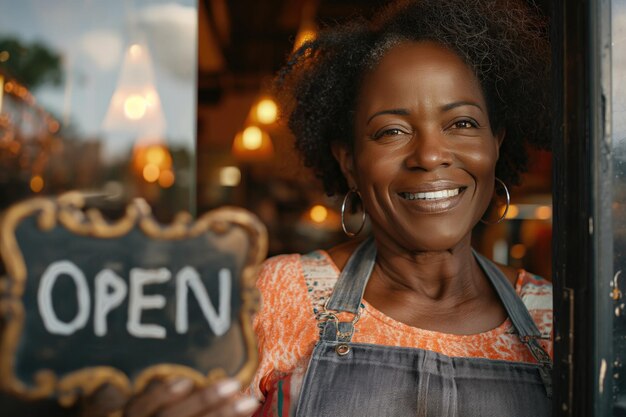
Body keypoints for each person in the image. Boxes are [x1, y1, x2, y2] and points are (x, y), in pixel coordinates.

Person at [87, 0, 552, 415]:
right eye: (391, 131)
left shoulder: (558, 318)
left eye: (462, 123)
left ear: (496, 144)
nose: (430, 155)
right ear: (348, 162)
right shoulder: (277, 297)